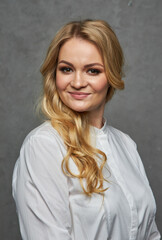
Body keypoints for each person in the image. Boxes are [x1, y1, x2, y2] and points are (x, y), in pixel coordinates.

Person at [12, 19, 161, 240]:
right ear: (55, 74)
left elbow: (149, 233)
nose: (78, 82)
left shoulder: (126, 144)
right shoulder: (44, 145)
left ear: (111, 76)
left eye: (92, 71)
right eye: (67, 69)